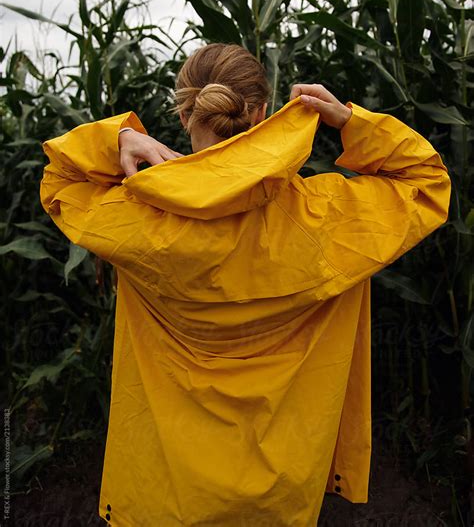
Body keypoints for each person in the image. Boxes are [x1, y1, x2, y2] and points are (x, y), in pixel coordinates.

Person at [40, 43, 451, 527]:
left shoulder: (136, 215)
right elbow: (426, 181)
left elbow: (60, 180)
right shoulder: (325, 216)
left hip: (166, 490)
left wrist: (119, 137)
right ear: (261, 112)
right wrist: (348, 122)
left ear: (184, 110)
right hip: (282, 487)